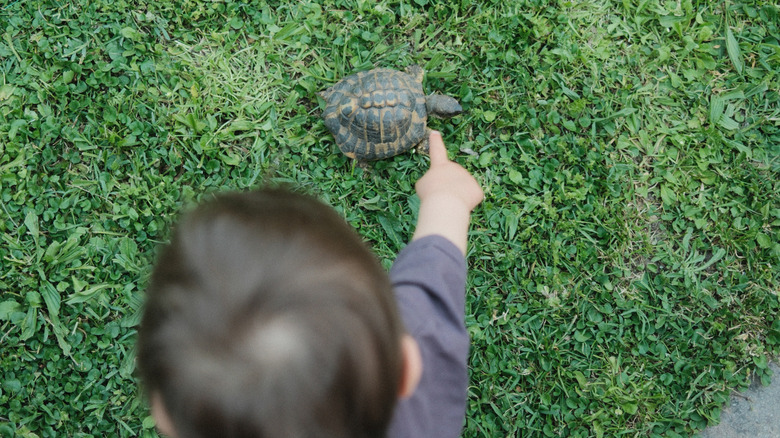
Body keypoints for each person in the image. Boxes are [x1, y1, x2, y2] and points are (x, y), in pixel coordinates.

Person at [135, 130, 484, 437]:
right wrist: (447, 200)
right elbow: (432, 281)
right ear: (406, 369)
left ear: (164, 415)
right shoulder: (422, 414)